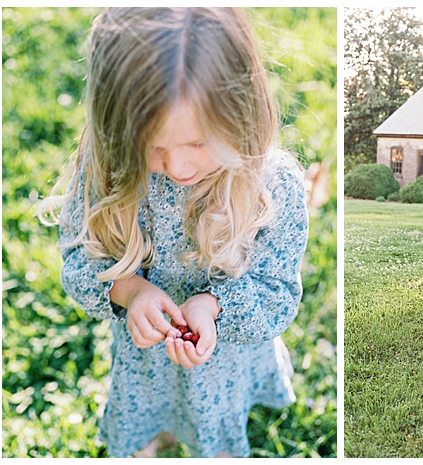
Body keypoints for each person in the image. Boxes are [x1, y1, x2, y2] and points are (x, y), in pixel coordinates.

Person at [40, 8, 309, 457]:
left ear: (242, 113)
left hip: (225, 367)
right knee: (146, 432)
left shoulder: (272, 185)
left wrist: (214, 306)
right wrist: (129, 292)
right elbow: (77, 260)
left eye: (200, 143)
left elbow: (279, 293)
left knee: (215, 441)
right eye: (153, 146)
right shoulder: (107, 169)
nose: (177, 167)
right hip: (143, 367)